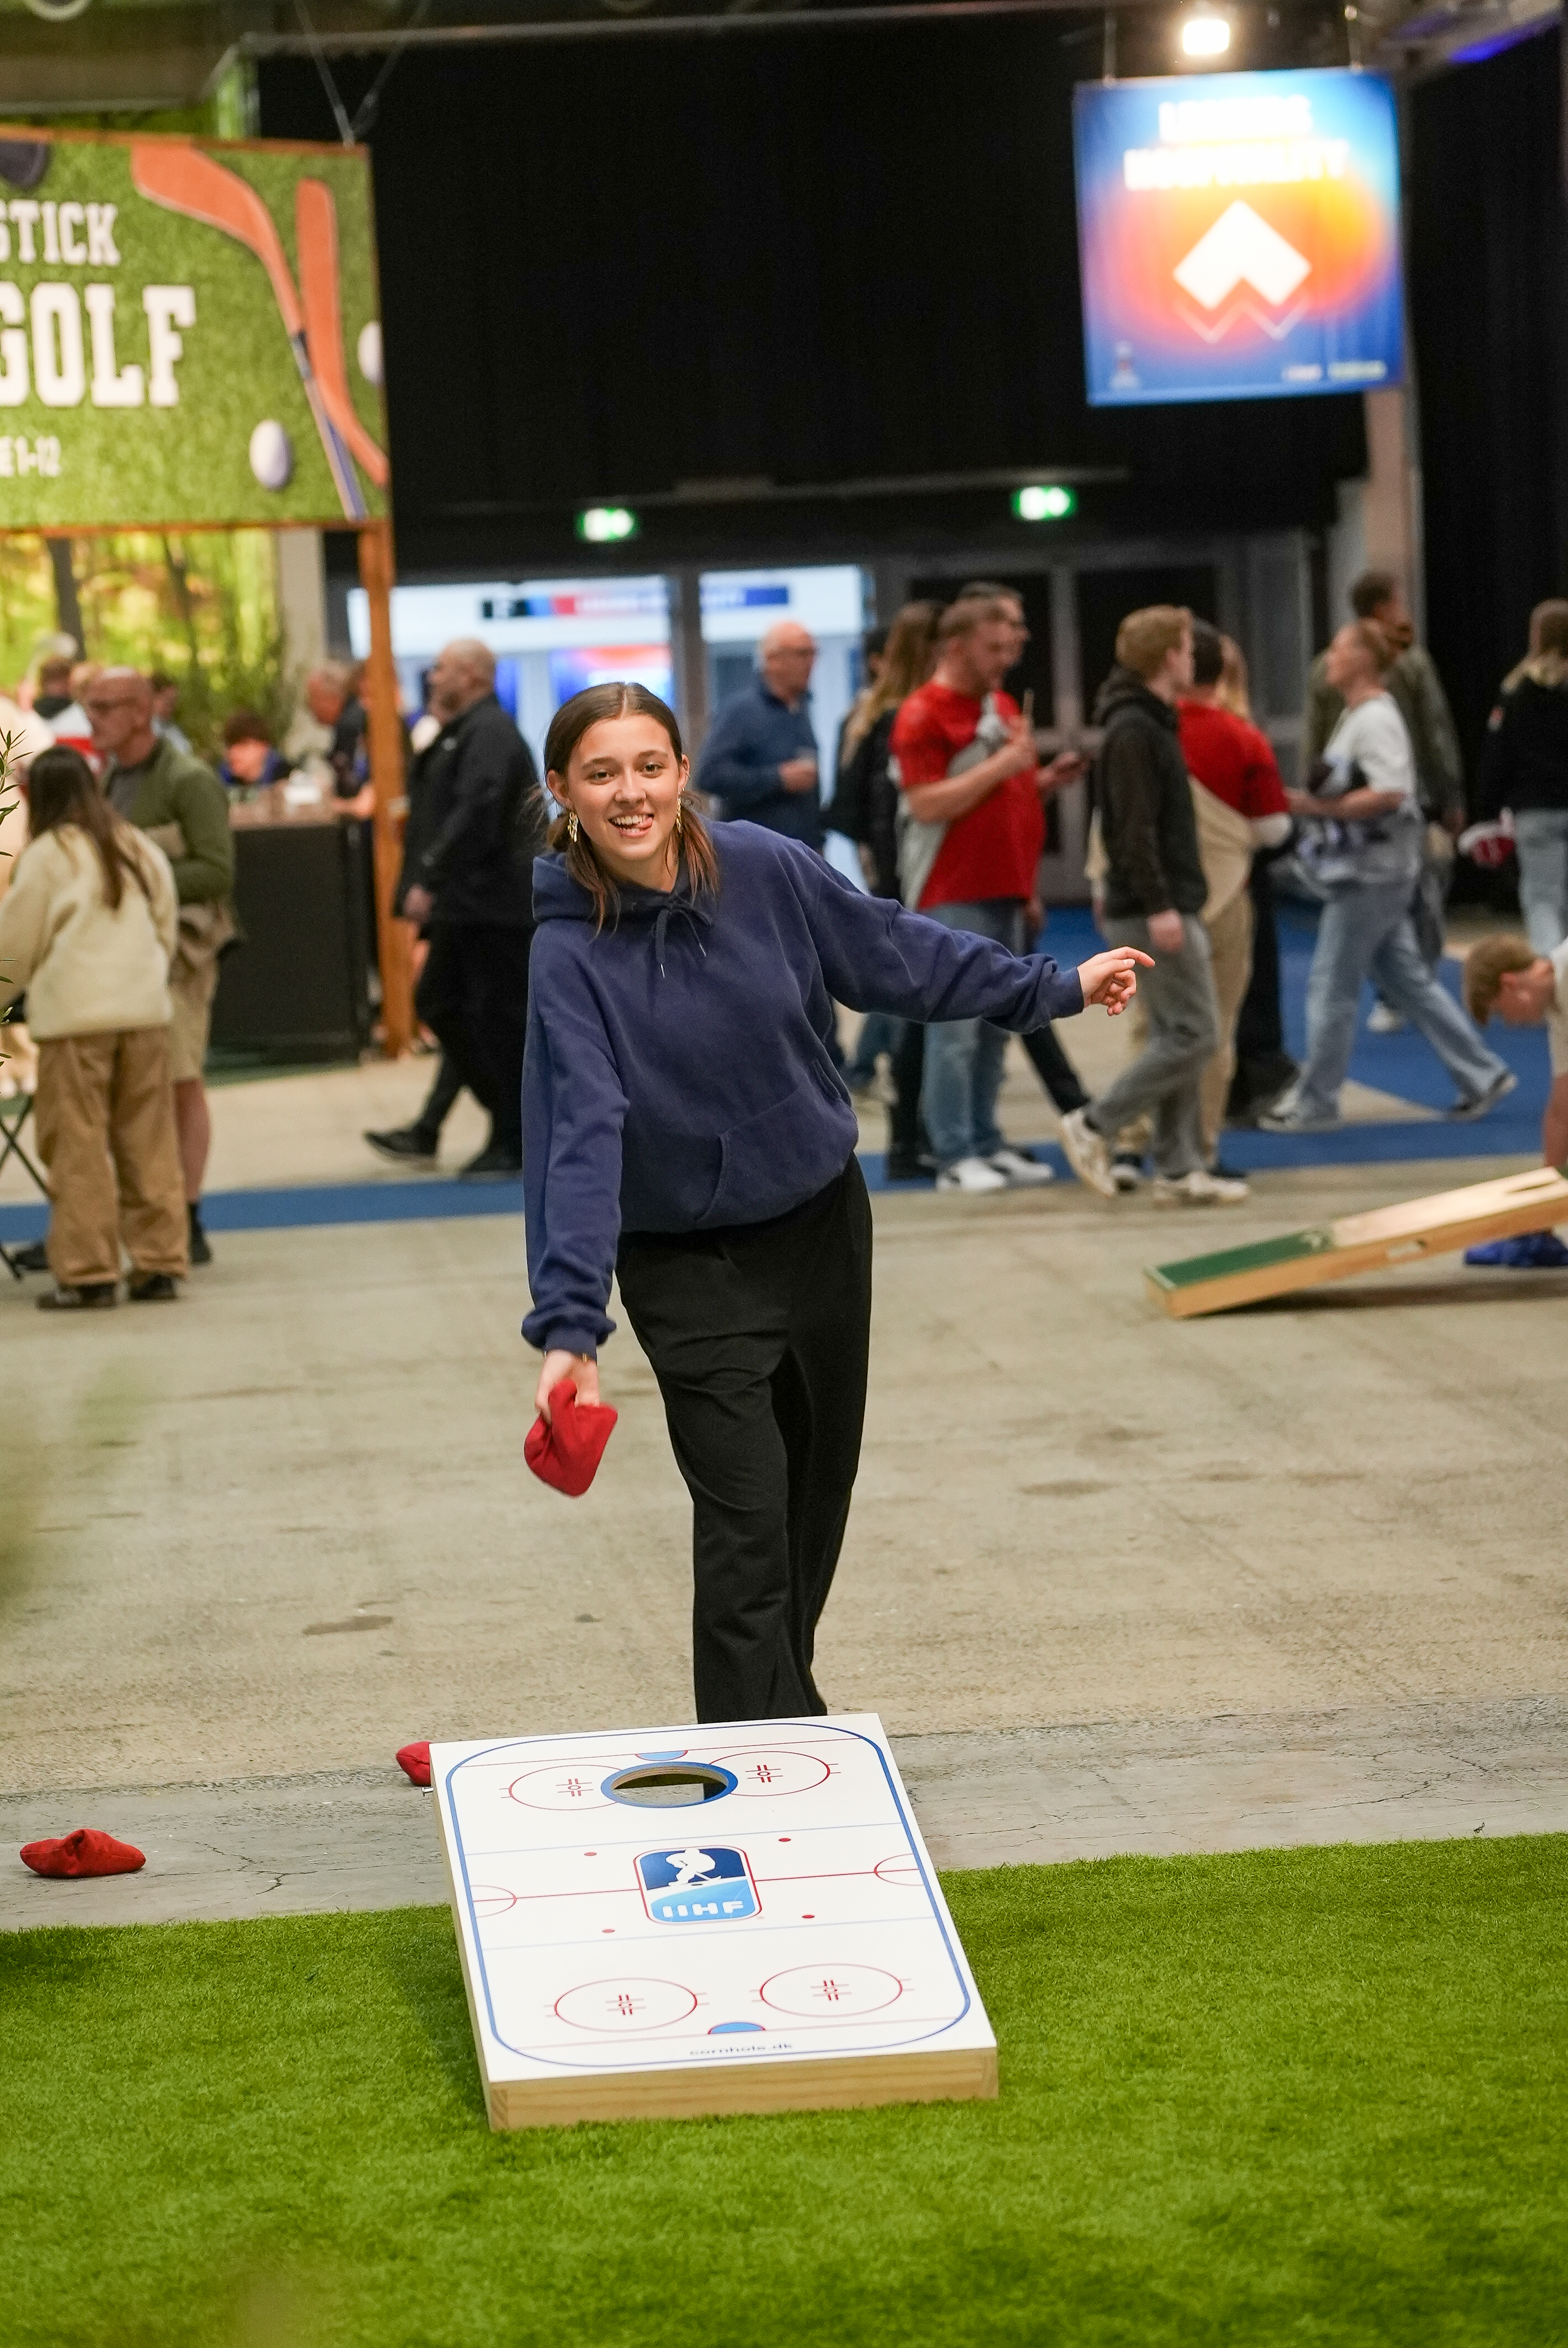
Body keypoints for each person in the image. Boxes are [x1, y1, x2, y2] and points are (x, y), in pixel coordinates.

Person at [522, 681, 1148, 1722]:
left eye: (647, 767)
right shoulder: (566, 953)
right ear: (563, 791)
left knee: (810, 1506)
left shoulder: (766, 868)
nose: (628, 794)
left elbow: (894, 951)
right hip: (681, 1263)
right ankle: (755, 1755)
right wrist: (570, 1327)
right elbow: (580, 1133)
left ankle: (784, 1711)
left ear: (681, 774)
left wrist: (1051, 988)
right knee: (744, 1520)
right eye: (600, 774)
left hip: (817, 1226)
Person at [1260, 622, 1514, 1133]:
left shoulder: (1374, 719)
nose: (1327, 659)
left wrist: (1315, 805)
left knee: (1331, 986)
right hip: (1377, 871)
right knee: (1410, 982)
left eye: (1336, 650)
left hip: (1370, 876)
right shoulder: (1363, 717)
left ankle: (1318, 1104)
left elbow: (1391, 792)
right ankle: (1482, 1075)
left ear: (1362, 660)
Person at [890, 595, 1086, 1193]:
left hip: (1005, 891)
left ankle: (984, 1140)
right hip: (951, 893)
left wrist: (1040, 783)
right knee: (956, 1032)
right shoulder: (922, 713)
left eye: (1011, 648)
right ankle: (952, 1153)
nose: (1005, 660)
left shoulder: (1000, 707)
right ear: (956, 646)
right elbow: (927, 805)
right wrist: (1003, 766)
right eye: (993, 648)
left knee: (1000, 1030)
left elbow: (1006, 806)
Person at [1056, 609, 1238, 1206]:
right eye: (1187, 647)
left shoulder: (1148, 721)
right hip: (1153, 906)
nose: (1194, 658)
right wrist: (1160, 904)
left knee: (1176, 1030)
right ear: (1168, 657)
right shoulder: (1136, 728)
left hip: (1160, 900)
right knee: (1196, 1032)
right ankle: (1094, 1124)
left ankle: (1180, 1167)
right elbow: (1132, 830)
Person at [0, 746, 186, 1309]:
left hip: (75, 1022)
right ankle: (158, 1263)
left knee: (78, 1146)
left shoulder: (47, 855)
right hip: (144, 1012)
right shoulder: (138, 846)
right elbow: (166, 927)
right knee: (149, 1143)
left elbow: (16, 946)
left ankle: (88, 1272)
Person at [86, 667, 236, 1265]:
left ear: (140, 711)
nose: (91, 718)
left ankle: (189, 1214)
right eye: (87, 705)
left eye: (103, 707)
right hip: (129, 954)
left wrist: (138, 879)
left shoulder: (188, 780)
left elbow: (218, 872)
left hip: (184, 953)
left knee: (180, 1078)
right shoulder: (111, 778)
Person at [388, 639, 544, 1181]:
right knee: (452, 1005)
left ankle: (515, 1131)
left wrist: (430, 874)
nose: (434, 677)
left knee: (490, 1017)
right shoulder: (465, 730)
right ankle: (507, 1126)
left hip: (494, 905)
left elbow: (478, 808)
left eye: (446, 669)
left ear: (476, 676)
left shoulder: (490, 732)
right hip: (472, 902)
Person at [1303, 571, 1463, 1021]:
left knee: (1371, 901)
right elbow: (1435, 732)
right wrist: (1450, 797)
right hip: (1402, 802)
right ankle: (1415, 989)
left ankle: (1398, 993)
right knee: (1419, 899)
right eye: (1398, 601)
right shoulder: (1409, 663)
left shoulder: (1326, 665)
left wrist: (1315, 801)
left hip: (1349, 808)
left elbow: (1314, 741)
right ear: (1381, 608)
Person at [1178, 622, 1293, 1170]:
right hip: (1225, 893)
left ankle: (1135, 1140)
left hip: (1156, 899)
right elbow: (1274, 828)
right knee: (1216, 1027)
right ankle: (1196, 1148)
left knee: (1155, 1026)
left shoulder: (1144, 732)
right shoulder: (1239, 735)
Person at [827, 603, 940, 1124]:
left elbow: (853, 806)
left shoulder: (869, 712)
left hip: (895, 869)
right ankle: (906, 1130)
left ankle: (870, 1070)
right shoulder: (893, 715)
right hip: (906, 873)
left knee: (898, 979)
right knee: (904, 986)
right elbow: (868, 804)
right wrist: (885, 867)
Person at [1476, 600, 1568, 954]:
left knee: (1543, 900)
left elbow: (1498, 756)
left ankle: (1554, 987)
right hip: (1544, 807)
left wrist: (1487, 812)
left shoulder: (1517, 690)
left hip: (1536, 812)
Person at [695, 621, 822, 847]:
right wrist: (778, 779)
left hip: (803, 854)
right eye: (802, 653)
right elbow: (709, 775)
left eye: (813, 653)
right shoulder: (741, 712)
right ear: (773, 660)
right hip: (754, 855)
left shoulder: (800, 709)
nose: (811, 662)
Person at [1463, 934, 1567, 1165]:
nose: (1510, 1023)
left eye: (1501, 1011)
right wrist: (1550, 1187)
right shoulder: (1559, 1012)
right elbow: (1561, 1111)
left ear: (1509, 984)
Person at [305, 661, 372, 815]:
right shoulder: (351, 719)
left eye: (313, 698)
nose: (310, 706)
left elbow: (355, 787)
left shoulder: (351, 724)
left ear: (330, 697)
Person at [218, 710, 289, 792]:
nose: (233, 753)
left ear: (263, 746)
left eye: (243, 745)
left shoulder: (287, 780)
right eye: (230, 746)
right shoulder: (221, 781)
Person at [149, 672, 193, 755]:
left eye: (174, 702)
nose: (172, 707)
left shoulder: (173, 728)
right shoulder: (146, 729)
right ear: (152, 697)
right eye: (167, 701)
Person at [31, 652, 75, 722]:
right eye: (53, 680)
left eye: (61, 680)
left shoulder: (76, 711)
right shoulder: (32, 712)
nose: (58, 686)